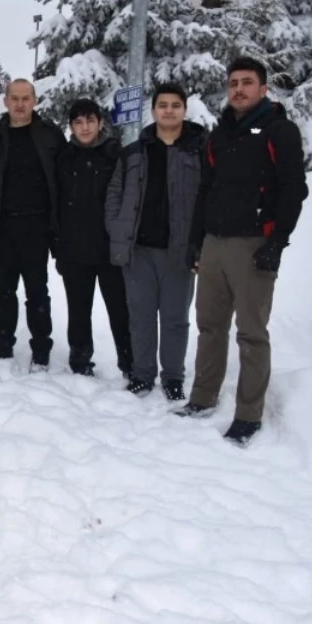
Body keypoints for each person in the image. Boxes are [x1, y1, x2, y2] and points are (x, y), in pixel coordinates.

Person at [176, 57, 308, 447]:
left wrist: (276, 243)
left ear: (263, 89)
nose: (238, 89)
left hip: (254, 245)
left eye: (247, 82)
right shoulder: (220, 135)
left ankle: (248, 416)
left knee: (251, 334)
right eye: (233, 82)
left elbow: (293, 190)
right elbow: (206, 191)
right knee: (210, 326)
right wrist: (196, 241)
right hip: (215, 243)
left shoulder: (279, 131)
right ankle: (201, 398)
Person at [106, 84, 205, 398]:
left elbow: (210, 198)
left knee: (175, 319)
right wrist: (117, 230)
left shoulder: (199, 149)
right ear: (153, 110)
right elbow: (114, 195)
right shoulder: (135, 151)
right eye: (163, 105)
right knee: (141, 317)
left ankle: (173, 378)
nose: (169, 111)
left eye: (175, 105)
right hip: (139, 251)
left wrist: (200, 244)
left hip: (180, 251)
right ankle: (142, 374)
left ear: (184, 110)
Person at [0, 78, 66, 370]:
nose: (20, 104)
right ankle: (3, 346)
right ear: (5, 101)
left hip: (38, 228)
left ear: (35, 101)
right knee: (4, 292)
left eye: (26, 98)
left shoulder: (50, 135)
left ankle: (41, 350)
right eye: (15, 98)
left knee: (37, 291)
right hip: (3, 228)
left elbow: (63, 182)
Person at [54, 98, 134, 378]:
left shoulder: (115, 155)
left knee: (120, 312)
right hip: (74, 250)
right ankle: (80, 360)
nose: (84, 127)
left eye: (90, 121)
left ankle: (129, 363)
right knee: (78, 312)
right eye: (78, 122)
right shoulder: (63, 158)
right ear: (71, 126)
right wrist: (59, 246)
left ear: (100, 123)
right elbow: (56, 202)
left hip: (110, 251)